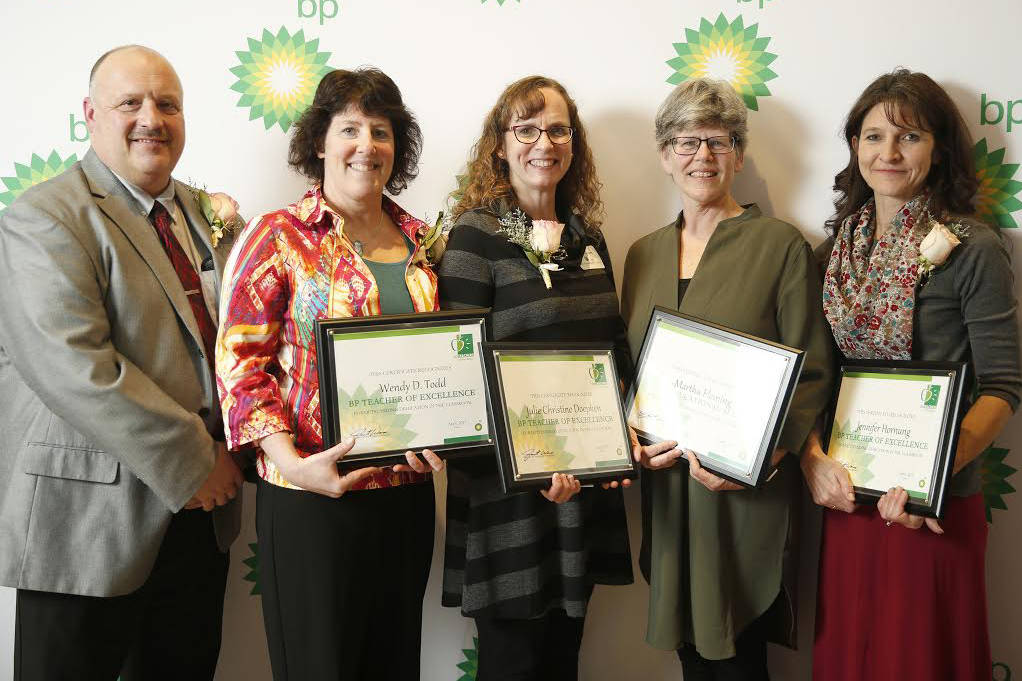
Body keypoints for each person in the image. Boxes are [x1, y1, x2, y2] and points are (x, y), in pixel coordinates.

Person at [0, 45, 243, 680]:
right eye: (129, 102)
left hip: (197, 523)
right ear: (89, 113)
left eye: (168, 104)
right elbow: (76, 368)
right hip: (86, 527)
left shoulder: (197, 212)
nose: (151, 118)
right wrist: (198, 461)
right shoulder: (45, 216)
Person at [216, 67, 444, 681]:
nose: (366, 145)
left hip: (404, 498)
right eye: (350, 128)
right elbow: (242, 364)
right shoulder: (279, 235)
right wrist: (289, 463)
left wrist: (441, 435)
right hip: (310, 497)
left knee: (394, 663)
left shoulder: (423, 241)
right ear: (320, 142)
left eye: (381, 130)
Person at [804, 68, 1021, 681]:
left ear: (940, 148)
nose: (888, 153)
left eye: (910, 137)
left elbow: (1004, 386)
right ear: (853, 147)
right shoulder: (831, 256)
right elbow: (818, 383)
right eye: (873, 137)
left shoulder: (973, 247)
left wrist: (927, 475)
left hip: (933, 506)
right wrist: (812, 460)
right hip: (850, 504)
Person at [620, 78, 834, 680]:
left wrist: (767, 459)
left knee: (740, 659)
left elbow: (812, 368)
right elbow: (628, 373)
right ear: (664, 156)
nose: (703, 157)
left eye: (719, 141)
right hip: (668, 491)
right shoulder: (641, 254)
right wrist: (630, 438)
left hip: (744, 493)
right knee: (692, 660)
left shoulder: (780, 245)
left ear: (739, 154)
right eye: (686, 141)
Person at [438, 75, 633, 680]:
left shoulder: (588, 236)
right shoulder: (476, 233)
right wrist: (529, 463)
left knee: (562, 661)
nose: (543, 142)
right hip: (510, 497)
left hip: (582, 490)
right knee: (513, 664)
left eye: (557, 129)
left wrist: (621, 445)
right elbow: (457, 375)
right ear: (501, 144)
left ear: (574, 144)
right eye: (526, 129)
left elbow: (613, 350)